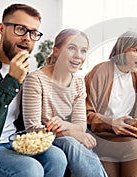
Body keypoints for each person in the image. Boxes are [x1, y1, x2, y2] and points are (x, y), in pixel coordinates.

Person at [0, 3, 67, 177]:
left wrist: (43, 128)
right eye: (20, 29)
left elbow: (18, 119)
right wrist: (11, 81)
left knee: (57, 157)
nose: (27, 38)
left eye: (34, 33)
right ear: (1, 28)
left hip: (14, 142)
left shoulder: (25, 68)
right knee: (30, 169)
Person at [22, 28, 107, 177]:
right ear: (56, 50)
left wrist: (65, 126)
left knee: (72, 141)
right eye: (71, 48)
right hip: (39, 141)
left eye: (83, 51)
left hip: (62, 139)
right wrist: (70, 132)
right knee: (70, 142)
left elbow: (81, 125)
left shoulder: (78, 83)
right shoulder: (35, 80)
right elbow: (32, 129)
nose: (78, 56)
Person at [85, 31, 137, 177]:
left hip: (125, 132)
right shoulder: (102, 71)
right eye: (136, 50)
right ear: (122, 49)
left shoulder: (136, 77)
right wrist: (111, 123)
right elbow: (85, 114)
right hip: (100, 134)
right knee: (134, 149)